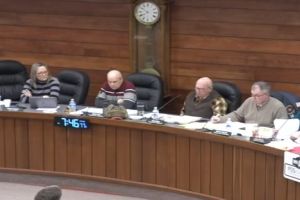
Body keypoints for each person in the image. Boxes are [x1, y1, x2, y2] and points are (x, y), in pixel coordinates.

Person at [211, 81, 288, 127]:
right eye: (252, 94)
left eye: (256, 95)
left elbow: (282, 128)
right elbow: (237, 115)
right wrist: (221, 119)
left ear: (266, 95)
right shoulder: (249, 101)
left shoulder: (278, 107)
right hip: (247, 135)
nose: (253, 98)